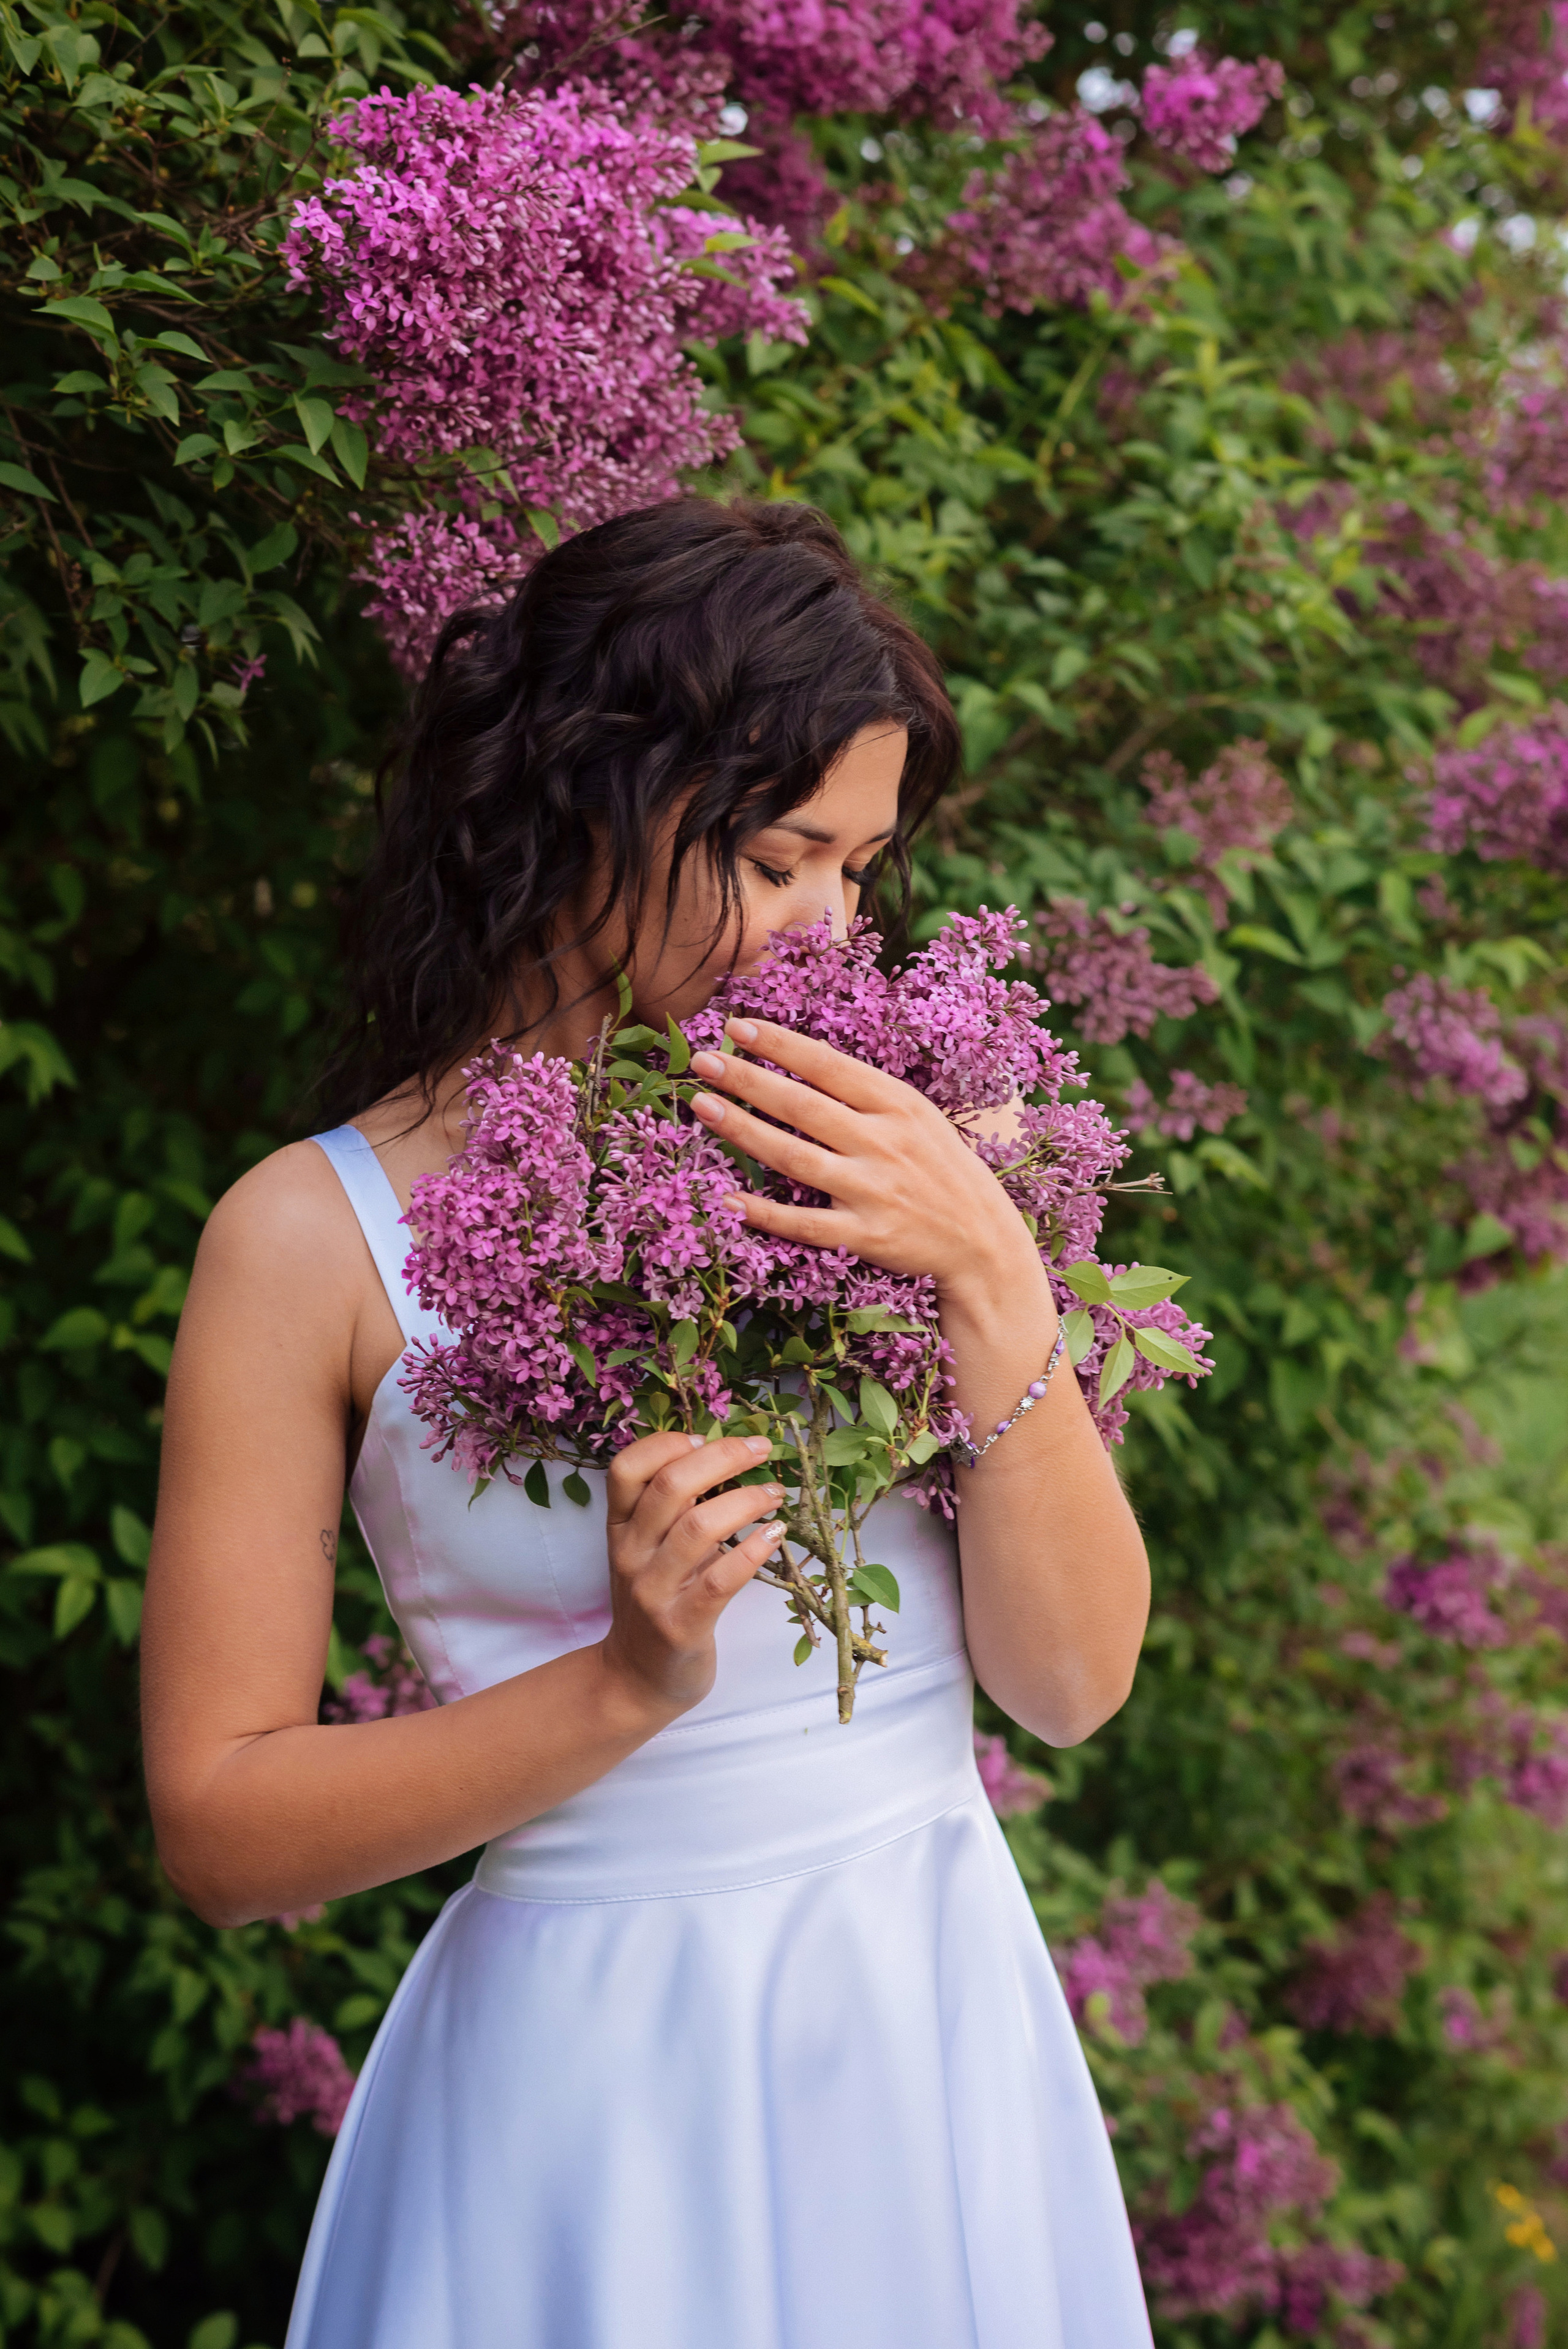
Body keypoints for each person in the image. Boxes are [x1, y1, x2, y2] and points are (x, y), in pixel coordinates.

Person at [140, 497, 1155, 2348]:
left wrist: (990, 1266)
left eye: (862, 871)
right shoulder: (305, 1242)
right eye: (778, 861)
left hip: (923, 2029)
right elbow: (219, 1825)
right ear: (583, 806)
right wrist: (619, 1685)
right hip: (590, 2086)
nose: (830, 936)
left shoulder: (893, 1149)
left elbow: (1074, 1685)